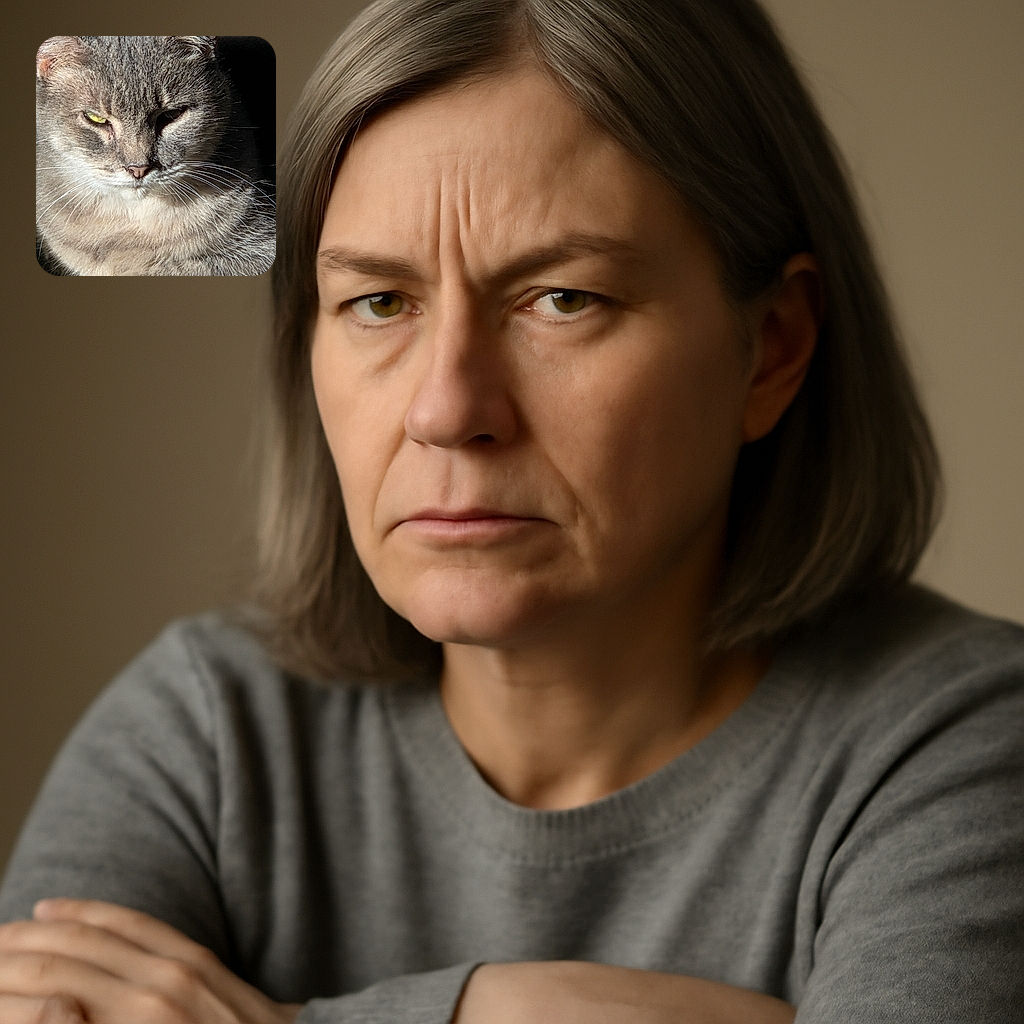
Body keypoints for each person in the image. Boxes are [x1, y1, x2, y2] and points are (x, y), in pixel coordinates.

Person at [1, 0, 1022, 1021]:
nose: (447, 411)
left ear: (773, 348)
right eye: (380, 303)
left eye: (562, 299)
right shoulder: (208, 732)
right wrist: (500, 1005)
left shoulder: (962, 743)